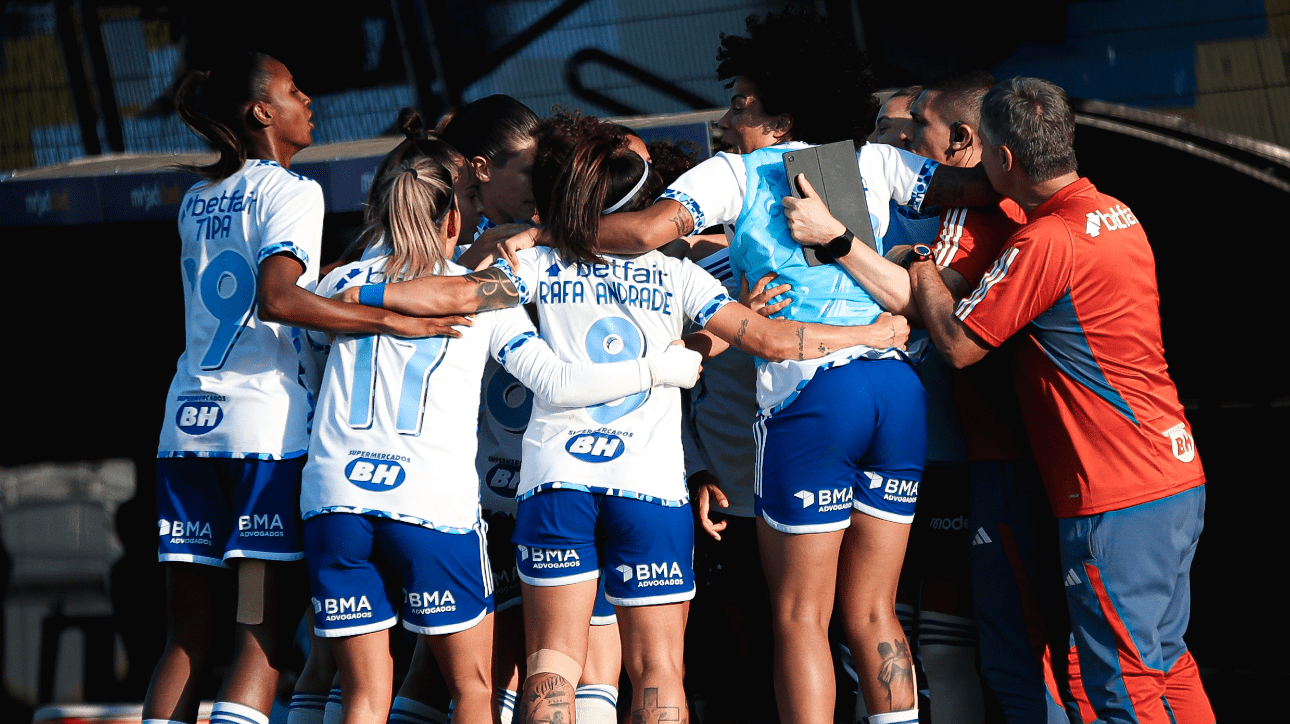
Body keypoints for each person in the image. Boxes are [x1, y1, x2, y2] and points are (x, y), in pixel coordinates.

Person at [582, 10, 996, 724]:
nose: (729, 117)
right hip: (895, 388)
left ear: (781, 116)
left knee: (802, 618)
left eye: (742, 104)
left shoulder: (735, 173)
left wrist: (549, 230)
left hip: (812, 395)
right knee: (873, 613)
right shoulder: (875, 161)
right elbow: (984, 186)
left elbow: (644, 232)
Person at [300, 138, 706, 724]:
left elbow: (310, 374)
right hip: (435, 503)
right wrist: (660, 368)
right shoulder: (488, 289)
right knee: (474, 688)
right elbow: (555, 379)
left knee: (363, 694)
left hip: (335, 496)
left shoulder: (330, 290)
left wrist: (367, 300)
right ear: (453, 218)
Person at [146, 52, 463, 724]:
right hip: (261, 438)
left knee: (184, 638)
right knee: (259, 639)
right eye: (293, 89)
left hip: (186, 430)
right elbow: (281, 299)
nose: (308, 97)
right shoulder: (293, 191)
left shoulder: (198, 200)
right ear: (262, 111)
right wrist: (388, 319)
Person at [908, 76, 1213, 724]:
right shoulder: (1114, 212)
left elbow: (960, 344)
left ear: (1004, 159)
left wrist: (922, 272)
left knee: (1121, 690)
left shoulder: (1047, 240)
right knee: (1166, 666)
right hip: (1171, 474)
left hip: (1115, 493)